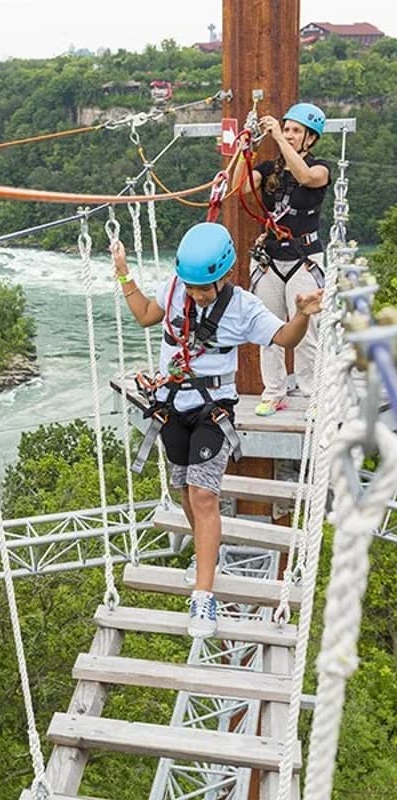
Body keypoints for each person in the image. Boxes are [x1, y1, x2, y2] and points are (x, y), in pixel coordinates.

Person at [112, 222, 322, 637]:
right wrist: (123, 274)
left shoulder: (242, 307)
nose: (195, 294)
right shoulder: (175, 289)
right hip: (171, 406)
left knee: (204, 495)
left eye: (203, 288)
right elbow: (145, 316)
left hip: (212, 409)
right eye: (191, 287)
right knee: (185, 491)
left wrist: (300, 314)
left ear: (224, 276)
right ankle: (208, 556)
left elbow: (284, 338)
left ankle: (203, 597)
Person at [234, 102, 331, 416]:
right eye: (287, 129)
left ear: (310, 138)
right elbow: (240, 188)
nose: (288, 135)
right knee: (269, 330)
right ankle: (274, 391)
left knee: (307, 332)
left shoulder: (320, 168)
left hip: (304, 258)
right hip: (271, 259)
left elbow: (305, 176)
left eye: (295, 131)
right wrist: (244, 152)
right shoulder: (268, 170)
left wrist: (276, 136)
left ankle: (312, 395)